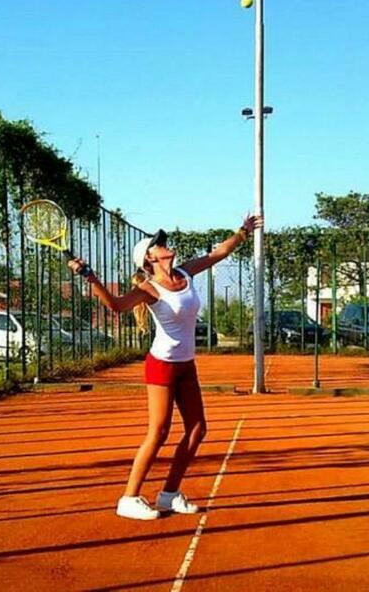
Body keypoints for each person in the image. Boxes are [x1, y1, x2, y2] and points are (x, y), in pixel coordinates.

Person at [68, 214, 263, 520]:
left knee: (197, 430)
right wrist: (90, 277)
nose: (164, 244)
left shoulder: (186, 272)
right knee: (159, 431)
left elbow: (218, 253)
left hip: (186, 364)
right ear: (149, 258)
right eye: (157, 244)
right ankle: (128, 498)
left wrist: (242, 232)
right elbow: (116, 305)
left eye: (162, 241)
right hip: (162, 365)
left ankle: (169, 494)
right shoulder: (149, 288)